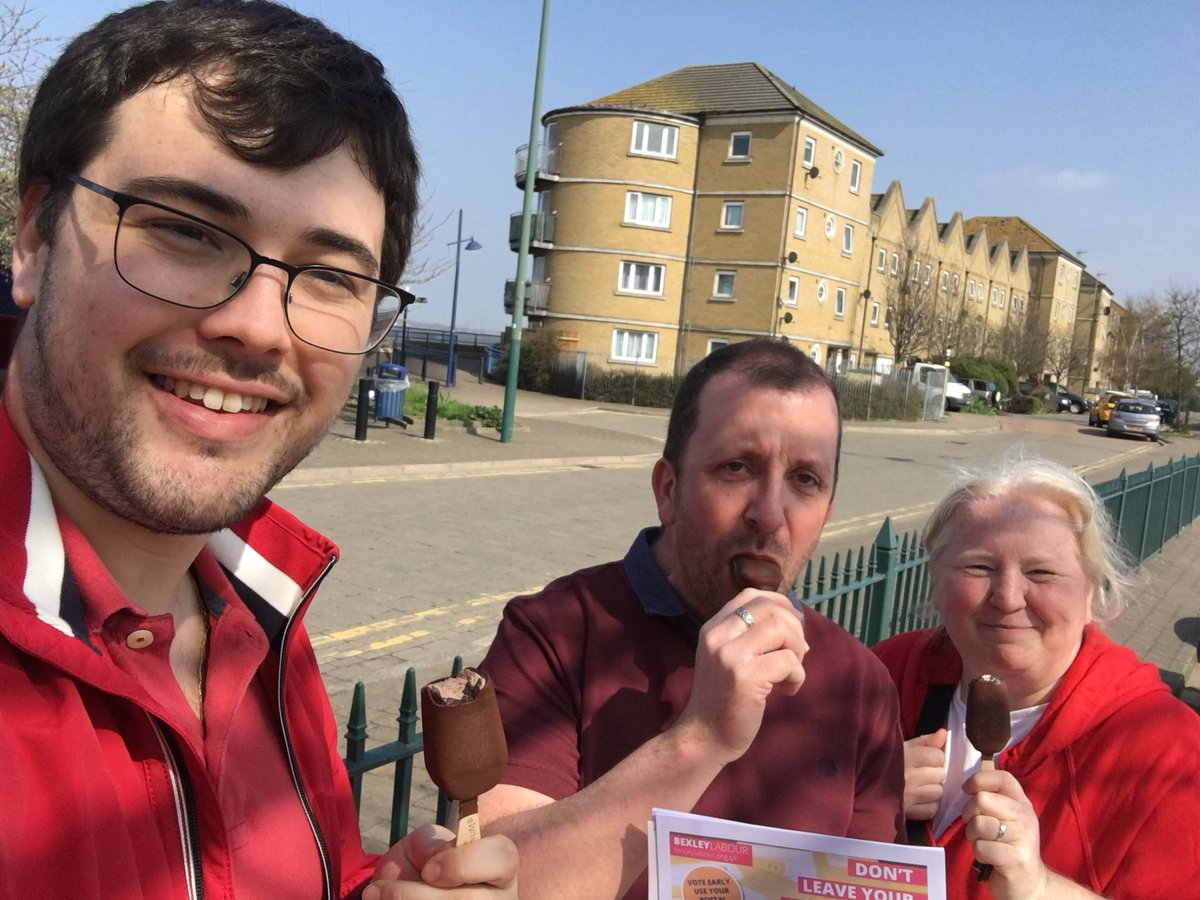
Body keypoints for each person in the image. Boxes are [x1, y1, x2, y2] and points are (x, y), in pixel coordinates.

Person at [0, 2, 516, 898]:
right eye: (187, 231)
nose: (256, 327)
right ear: (38, 237)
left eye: (329, 276)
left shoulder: (258, 611)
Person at [477, 339, 906, 900]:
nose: (770, 515)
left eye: (805, 480)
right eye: (736, 467)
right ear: (669, 489)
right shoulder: (552, 633)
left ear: (827, 510)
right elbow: (500, 880)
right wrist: (701, 738)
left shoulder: (859, 683)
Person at [872, 458, 1200, 899]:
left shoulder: (1170, 752)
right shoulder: (883, 675)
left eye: (1040, 572)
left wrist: (1039, 887)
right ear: (936, 581)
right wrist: (862, 798)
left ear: (1091, 592)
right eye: (979, 568)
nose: (1007, 598)